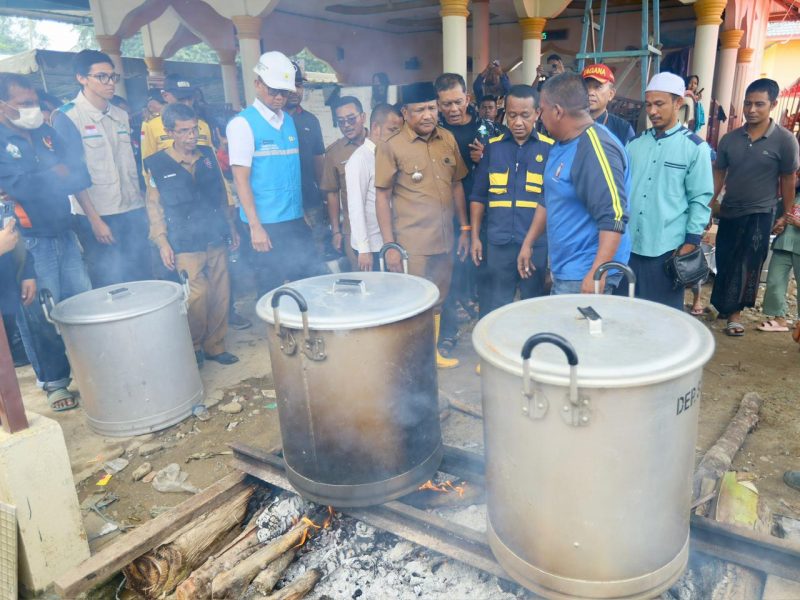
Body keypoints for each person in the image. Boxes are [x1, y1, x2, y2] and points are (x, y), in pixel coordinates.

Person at [0, 72, 92, 411]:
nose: (33, 110)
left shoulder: (46, 134)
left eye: (34, 102)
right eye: (24, 104)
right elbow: (18, 188)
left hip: (63, 229)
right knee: (38, 311)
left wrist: (36, 179)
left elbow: (81, 173)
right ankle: (54, 382)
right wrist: (55, 175)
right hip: (26, 240)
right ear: (2, 106)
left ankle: (90, 366)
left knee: (80, 301)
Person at [375, 82, 470, 369]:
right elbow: (382, 196)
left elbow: (457, 185)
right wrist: (390, 246)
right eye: (419, 110)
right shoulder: (392, 147)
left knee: (439, 297)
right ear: (405, 112)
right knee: (413, 302)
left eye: (431, 108)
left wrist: (464, 228)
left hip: (445, 238)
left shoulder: (448, 139)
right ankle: (411, 360)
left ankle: (431, 355)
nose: (428, 115)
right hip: (411, 244)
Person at [144, 103, 239, 367]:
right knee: (197, 295)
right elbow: (154, 208)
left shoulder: (208, 155)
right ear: (169, 132)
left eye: (194, 129)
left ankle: (215, 345)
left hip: (215, 235)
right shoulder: (158, 165)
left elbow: (222, 194)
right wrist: (162, 242)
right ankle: (194, 344)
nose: (191, 135)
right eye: (184, 131)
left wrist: (231, 228)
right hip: (185, 242)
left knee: (221, 293)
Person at [520, 72, 630, 294]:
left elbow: (614, 216)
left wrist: (597, 273)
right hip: (566, 267)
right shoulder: (560, 145)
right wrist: (528, 242)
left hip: (585, 272)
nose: (539, 117)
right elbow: (548, 198)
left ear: (558, 111)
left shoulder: (596, 148)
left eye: (542, 110)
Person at [52, 50, 151, 288]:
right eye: (102, 77)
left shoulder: (120, 115)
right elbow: (73, 175)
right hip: (98, 213)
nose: (110, 83)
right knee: (111, 281)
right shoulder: (67, 117)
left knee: (142, 274)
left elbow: (131, 163)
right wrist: (95, 221)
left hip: (132, 207)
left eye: (113, 77)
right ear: (82, 78)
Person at [710, 78, 799, 336]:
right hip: (729, 210)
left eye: (759, 104)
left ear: (773, 104)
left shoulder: (784, 141)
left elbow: (788, 179)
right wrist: (708, 204)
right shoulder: (730, 139)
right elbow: (719, 174)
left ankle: (735, 315)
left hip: (761, 212)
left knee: (748, 262)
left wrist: (787, 212)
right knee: (724, 259)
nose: (751, 109)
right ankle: (724, 307)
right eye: (748, 103)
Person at [227, 51, 318, 297]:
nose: (279, 97)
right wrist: (255, 227)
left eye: (284, 92)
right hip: (265, 224)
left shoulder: (288, 121)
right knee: (272, 289)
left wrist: (301, 214)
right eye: (273, 90)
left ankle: (303, 333)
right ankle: (278, 335)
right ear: (257, 84)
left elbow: (291, 174)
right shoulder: (242, 124)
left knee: (307, 282)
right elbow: (240, 180)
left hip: (293, 219)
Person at [624, 72, 713, 309]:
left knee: (663, 321)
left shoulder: (695, 148)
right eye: (649, 104)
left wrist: (691, 242)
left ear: (678, 103)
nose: (652, 111)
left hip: (666, 251)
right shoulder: (633, 145)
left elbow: (700, 199)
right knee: (625, 315)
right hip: (629, 247)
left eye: (659, 104)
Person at [471, 84, 553, 314]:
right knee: (498, 305)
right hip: (499, 245)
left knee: (533, 305)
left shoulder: (550, 150)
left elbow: (554, 202)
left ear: (538, 113)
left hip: (536, 245)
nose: (518, 122)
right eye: (512, 115)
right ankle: (499, 349)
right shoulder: (493, 148)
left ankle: (530, 349)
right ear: (504, 113)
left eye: (525, 115)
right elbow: (478, 196)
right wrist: (475, 236)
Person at [435, 72, 502, 353]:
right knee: (448, 273)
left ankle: (487, 335)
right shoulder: (433, 132)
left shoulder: (488, 130)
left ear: (468, 99)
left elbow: (511, 166)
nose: (452, 109)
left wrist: (489, 159)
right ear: (437, 104)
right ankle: (448, 333)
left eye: (457, 102)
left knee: (486, 274)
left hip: (484, 216)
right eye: (445, 104)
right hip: (444, 215)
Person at [344, 103, 403, 271]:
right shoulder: (360, 159)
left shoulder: (388, 154)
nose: (396, 136)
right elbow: (355, 207)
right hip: (372, 246)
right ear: (376, 128)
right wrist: (364, 250)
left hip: (389, 241)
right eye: (392, 130)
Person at [286, 61, 327, 258]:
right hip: (283, 206)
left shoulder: (311, 120)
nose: (295, 90)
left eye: (299, 85)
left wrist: (324, 195)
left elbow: (319, 160)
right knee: (289, 256)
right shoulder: (272, 121)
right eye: (290, 85)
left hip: (311, 201)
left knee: (315, 253)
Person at [322, 96, 368, 269]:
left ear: (362, 117)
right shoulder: (334, 153)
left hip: (384, 226)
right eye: (341, 122)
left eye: (351, 119)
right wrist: (336, 231)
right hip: (353, 229)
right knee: (363, 279)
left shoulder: (380, 144)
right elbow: (332, 193)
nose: (346, 125)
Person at [140, 74, 214, 164]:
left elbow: (212, 160)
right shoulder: (150, 126)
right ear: (165, 96)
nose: (187, 104)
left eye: (190, 98)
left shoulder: (203, 125)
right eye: (181, 99)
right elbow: (148, 161)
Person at [757, 196, 800, 332]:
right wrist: (776, 228)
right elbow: (777, 218)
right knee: (774, 280)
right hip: (783, 243)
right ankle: (779, 318)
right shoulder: (791, 194)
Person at [581, 63, 635, 146]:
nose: (590, 92)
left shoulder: (623, 129)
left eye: (597, 87)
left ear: (611, 94)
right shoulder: (568, 124)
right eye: (586, 87)